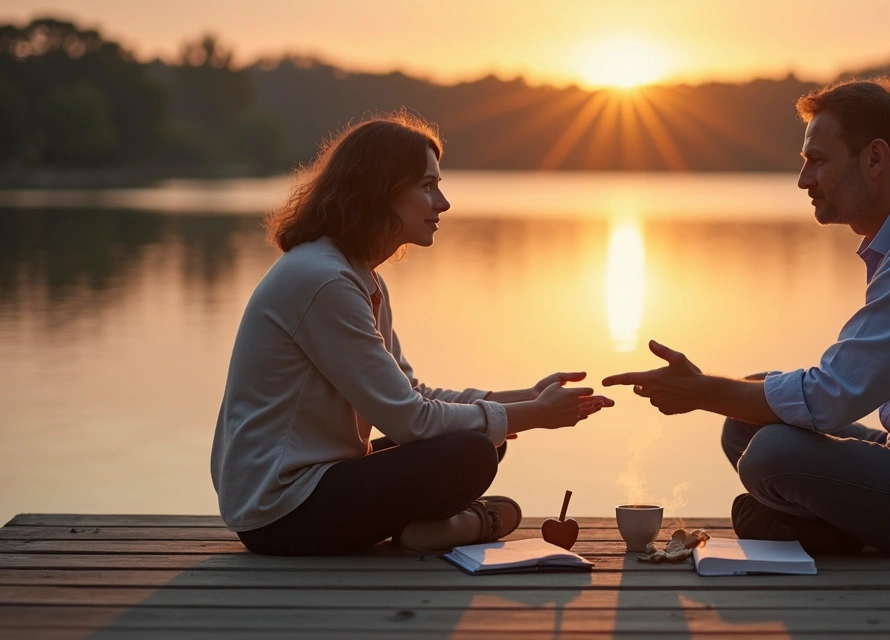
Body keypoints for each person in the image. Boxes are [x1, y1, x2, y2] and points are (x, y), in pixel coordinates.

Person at [604, 78, 890, 557]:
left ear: (875, 158)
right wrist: (718, 394)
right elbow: (834, 394)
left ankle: (819, 526)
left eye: (817, 161)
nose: (804, 181)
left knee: (773, 453)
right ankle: (824, 526)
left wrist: (703, 392)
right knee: (745, 423)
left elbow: (832, 398)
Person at [211, 112, 612, 556]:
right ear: (379, 192)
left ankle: (434, 526)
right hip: (281, 513)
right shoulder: (324, 282)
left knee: (479, 442)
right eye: (427, 186)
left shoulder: (356, 275)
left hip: (309, 487)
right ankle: (462, 524)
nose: (443, 203)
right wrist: (535, 415)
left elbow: (410, 393)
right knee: (470, 453)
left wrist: (522, 399)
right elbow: (410, 420)